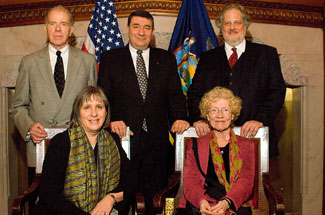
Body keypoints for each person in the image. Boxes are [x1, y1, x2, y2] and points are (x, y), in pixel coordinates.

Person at [97, 10, 190, 214]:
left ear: (153, 32)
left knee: (155, 202)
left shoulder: (165, 59)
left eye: (147, 27)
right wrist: (110, 121)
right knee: (120, 200)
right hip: (122, 142)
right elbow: (102, 99)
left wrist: (180, 118)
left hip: (156, 145)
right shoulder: (110, 59)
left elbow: (175, 96)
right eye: (136, 26)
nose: (141, 32)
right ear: (128, 30)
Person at [9, 5, 97, 184]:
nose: (58, 29)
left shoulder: (87, 61)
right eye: (53, 24)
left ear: (71, 29)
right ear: (45, 27)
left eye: (63, 24)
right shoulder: (29, 63)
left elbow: (94, 107)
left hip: (77, 149)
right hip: (40, 148)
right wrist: (29, 127)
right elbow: (18, 107)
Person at [187, 3, 286, 158]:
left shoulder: (267, 55)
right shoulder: (207, 59)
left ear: (245, 25)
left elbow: (277, 92)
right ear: (221, 27)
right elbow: (194, 94)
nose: (232, 27)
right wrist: (199, 119)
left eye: (237, 22)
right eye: (227, 23)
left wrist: (260, 120)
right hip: (213, 144)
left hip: (254, 141)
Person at [33, 86, 134, 215]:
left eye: (99, 107)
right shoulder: (61, 143)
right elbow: (49, 195)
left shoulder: (112, 141)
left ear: (106, 112)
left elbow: (131, 179)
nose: (94, 113)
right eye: (87, 107)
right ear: (78, 112)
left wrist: (111, 198)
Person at [179, 87, 255, 215]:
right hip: (202, 205)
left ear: (232, 115)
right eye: (214, 110)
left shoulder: (246, 145)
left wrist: (226, 203)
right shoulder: (195, 144)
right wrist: (201, 201)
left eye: (225, 110)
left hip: (234, 204)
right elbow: (190, 180)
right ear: (207, 115)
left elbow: (246, 181)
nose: (219, 115)